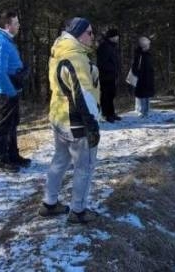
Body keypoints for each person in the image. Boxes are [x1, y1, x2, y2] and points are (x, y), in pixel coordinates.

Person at [41, 17, 101, 224]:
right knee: (84, 167)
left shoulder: (59, 52)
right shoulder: (76, 58)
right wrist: (92, 125)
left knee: (59, 161)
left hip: (59, 118)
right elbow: (84, 95)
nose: (93, 37)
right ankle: (78, 211)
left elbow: (64, 83)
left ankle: (49, 203)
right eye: (90, 32)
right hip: (78, 123)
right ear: (78, 33)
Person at [0, 11, 29, 171]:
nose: (18, 26)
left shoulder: (5, 40)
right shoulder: (0, 41)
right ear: (7, 25)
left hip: (11, 89)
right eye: (16, 23)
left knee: (12, 124)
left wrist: (21, 70)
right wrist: (10, 92)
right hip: (4, 91)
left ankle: (13, 155)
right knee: (3, 125)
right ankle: (1, 159)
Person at [96, 28, 122, 122]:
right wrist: (111, 70)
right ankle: (106, 114)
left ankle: (111, 113)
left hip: (111, 75)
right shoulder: (105, 47)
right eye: (116, 36)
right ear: (111, 37)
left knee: (111, 95)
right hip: (105, 76)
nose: (118, 37)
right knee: (106, 95)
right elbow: (102, 63)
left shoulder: (112, 46)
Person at [129, 37, 154, 117]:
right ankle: (141, 111)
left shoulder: (147, 54)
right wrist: (139, 76)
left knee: (146, 96)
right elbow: (135, 68)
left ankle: (146, 111)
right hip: (142, 79)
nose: (149, 46)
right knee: (142, 95)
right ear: (144, 45)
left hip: (147, 78)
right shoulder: (139, 55)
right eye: (148, 44)